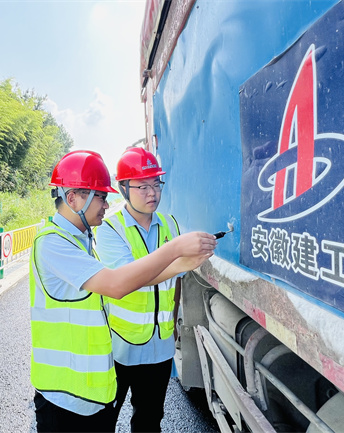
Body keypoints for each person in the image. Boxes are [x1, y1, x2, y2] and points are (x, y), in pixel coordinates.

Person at [30, 149, 216, 432]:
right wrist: (175, 250)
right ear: (73, 198)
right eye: (100, 197)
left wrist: (180, 268)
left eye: (156, 184)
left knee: (149, 420)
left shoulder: (80, 239)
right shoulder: (54, 243)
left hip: (91, 383)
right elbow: (117, 284)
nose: (106, 204)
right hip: (66, 392)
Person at [94, 146, 189, 432]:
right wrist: (177, 256)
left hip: (159, 347)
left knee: (149, 421)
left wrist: (173, 322)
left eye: (156, 184)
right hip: (120, 346)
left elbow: (177, 280)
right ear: (123, 188)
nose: (152, 193)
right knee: (103, 420)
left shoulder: (170, 224)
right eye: (143, 186)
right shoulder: (110, 230)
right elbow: (126, 280)